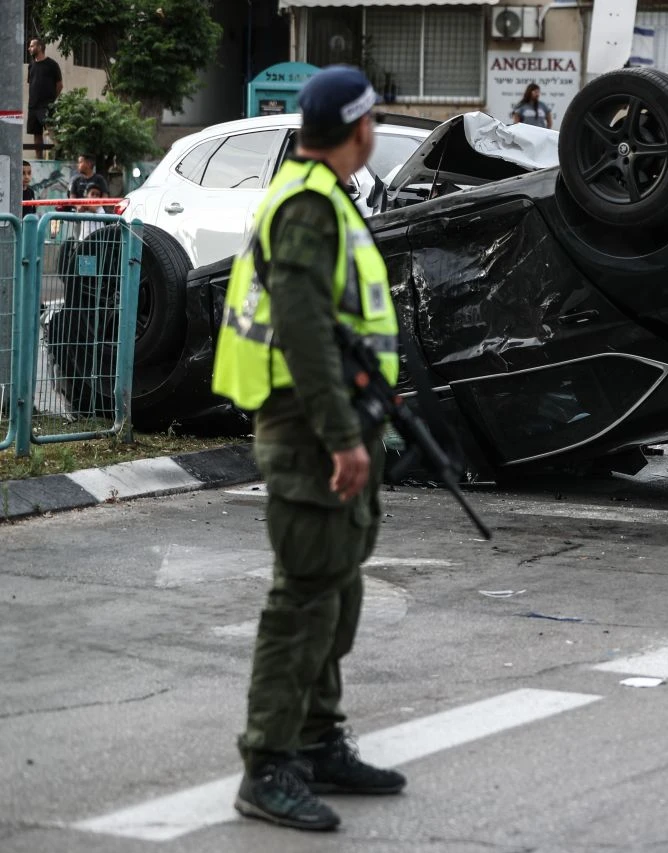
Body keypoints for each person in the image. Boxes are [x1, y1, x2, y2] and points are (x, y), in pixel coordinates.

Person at [211, 65, 406, 832]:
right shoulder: (306, 206)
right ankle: (267, 764)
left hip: (331, 422)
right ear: (359, 128)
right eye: (374, 121)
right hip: (308, 429)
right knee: (303, 598)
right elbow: (302, 331)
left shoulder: (326, 196)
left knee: (335, 589)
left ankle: (318, 739)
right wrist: (340, 437)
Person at [26, 38, 62, 160]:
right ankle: (39, 161)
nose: (29, 48)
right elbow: (31, 84)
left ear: (40, 47)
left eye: (32, 46)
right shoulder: (31, 65)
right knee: (36, 134)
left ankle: (60, 157)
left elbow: (59, 85)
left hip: (46, 106)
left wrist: (51, 102)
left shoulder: (52, 65)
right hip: (33, 106)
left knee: (52, 131)